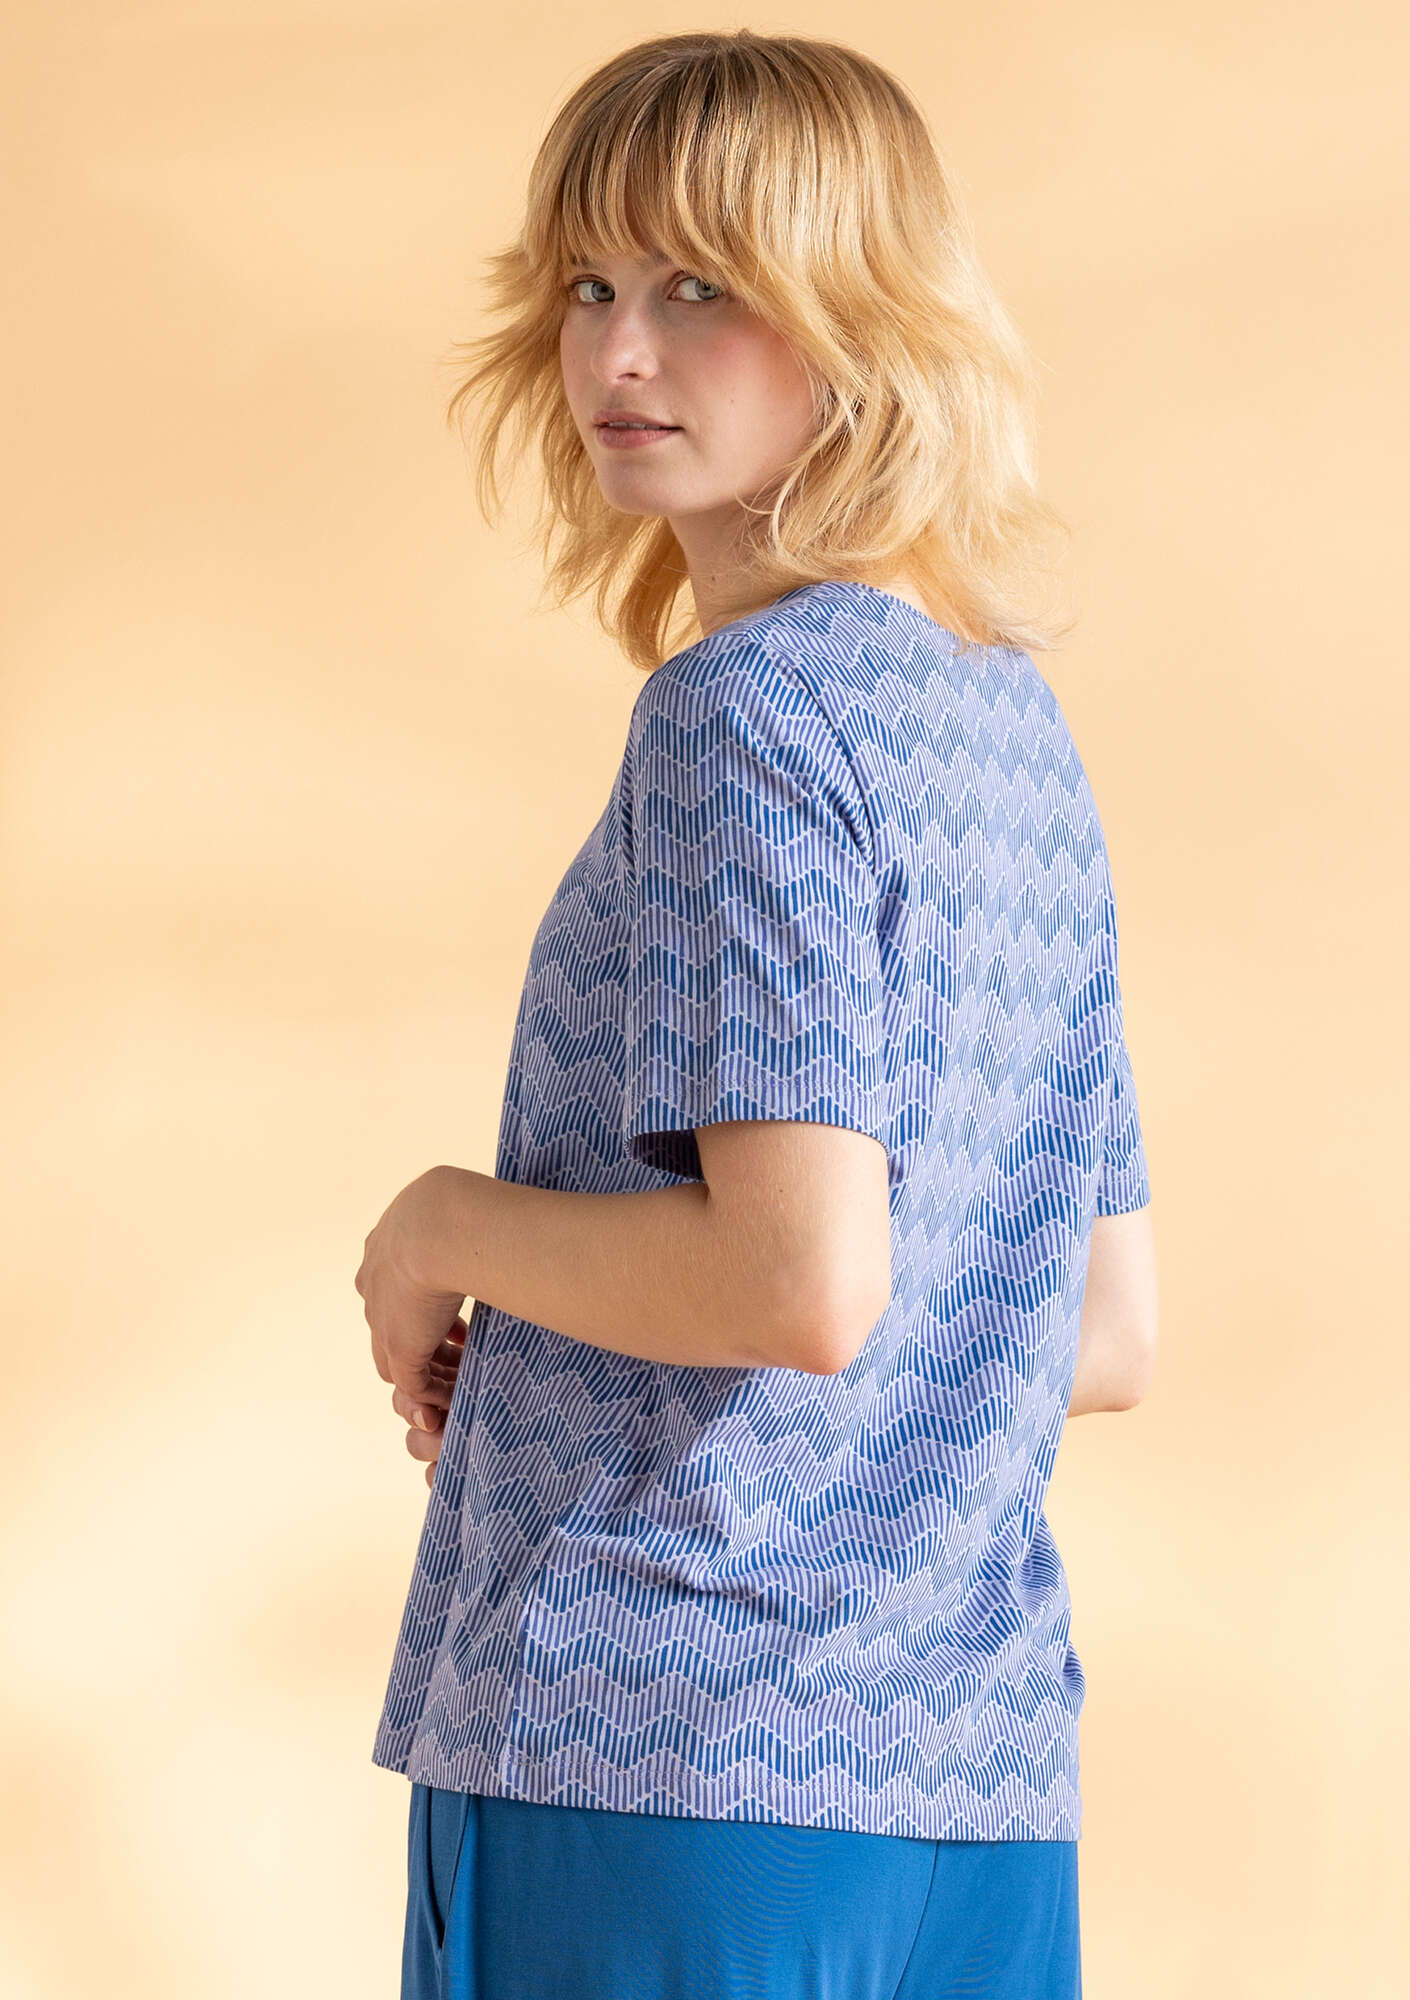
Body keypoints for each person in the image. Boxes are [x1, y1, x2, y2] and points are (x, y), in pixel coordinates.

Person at [354, 28, 1158, 2000]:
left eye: (703, 288)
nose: (619, 354)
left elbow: (797, 1282)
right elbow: (1102, 1327)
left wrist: (443, 1230)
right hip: (969, 1796)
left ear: (863, 322)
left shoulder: (746, 716)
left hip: (660, 1767)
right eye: (588, 285)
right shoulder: (1009, 729)